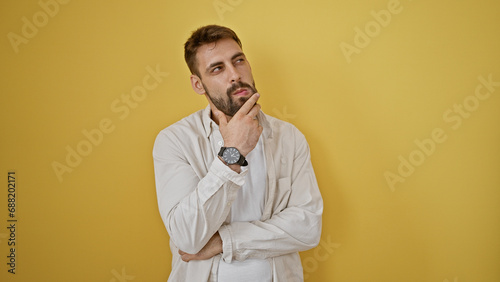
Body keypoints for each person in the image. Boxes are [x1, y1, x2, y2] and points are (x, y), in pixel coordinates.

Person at [153, 24, 323, 282]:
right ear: (198, 84)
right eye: (217, 68)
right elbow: (187, 237)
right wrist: (232, 153)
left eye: (239, 60)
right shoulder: (174, 140)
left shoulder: (289, 137)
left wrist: (224, 240)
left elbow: (308, 226)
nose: (235, 74)